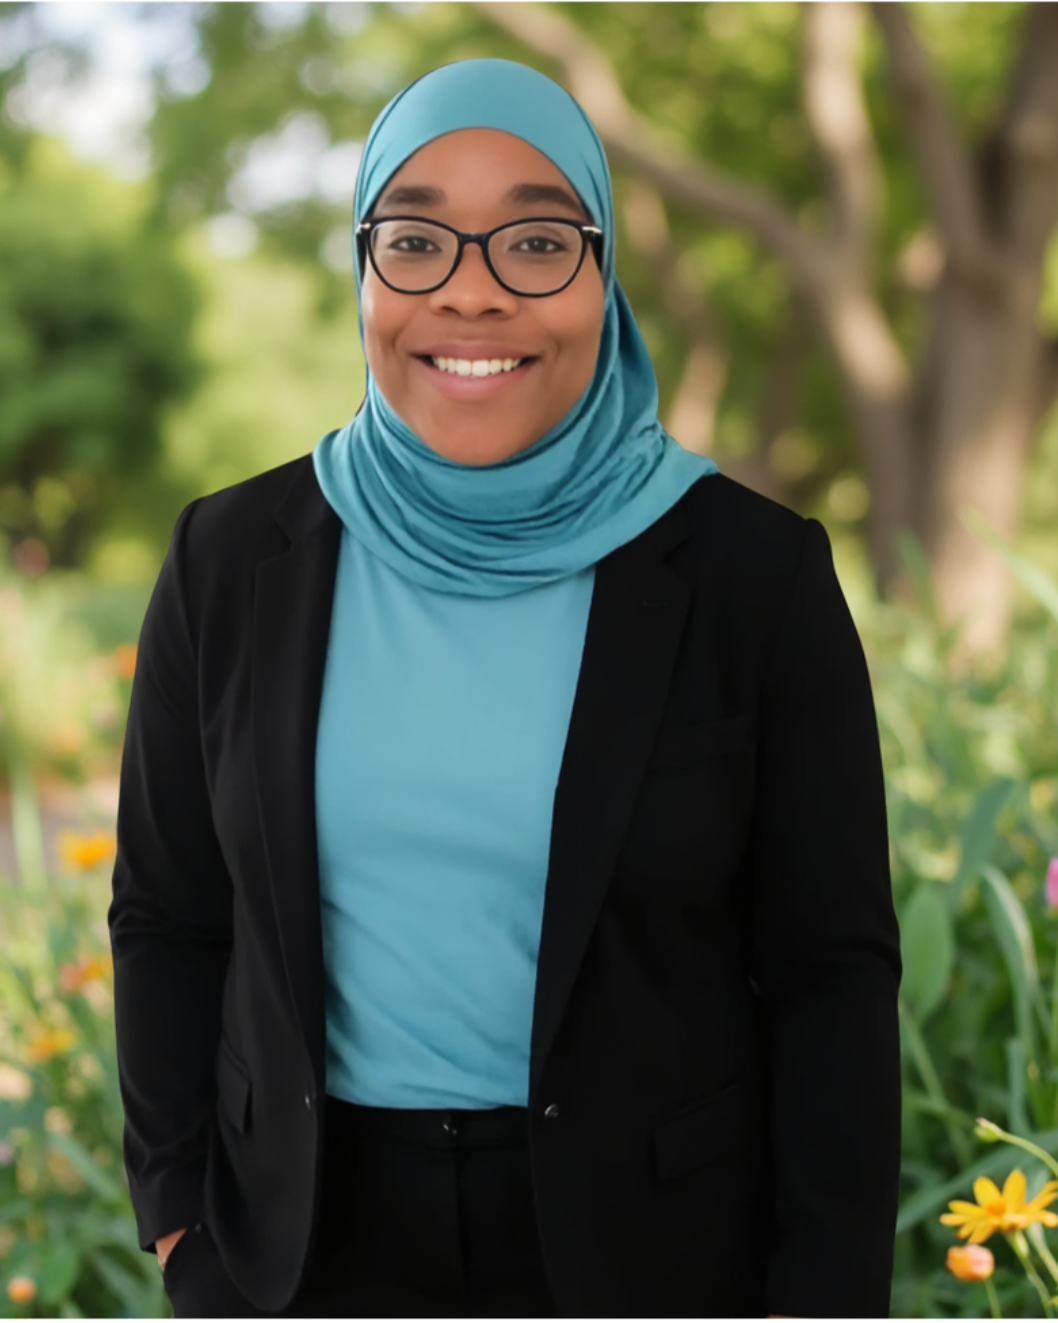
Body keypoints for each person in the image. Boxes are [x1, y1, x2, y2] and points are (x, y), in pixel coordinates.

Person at [107, 57, 902, 1320]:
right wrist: (180, 1227)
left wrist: (825, 1296)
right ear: (362, 270)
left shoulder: (753, 577)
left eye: (535, 242)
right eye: (414, 240)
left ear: (602, 275)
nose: (469, 292)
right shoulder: (230, 559)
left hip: (652, 1257)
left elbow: (828, 974)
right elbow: (168, 914)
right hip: (300, 1257)